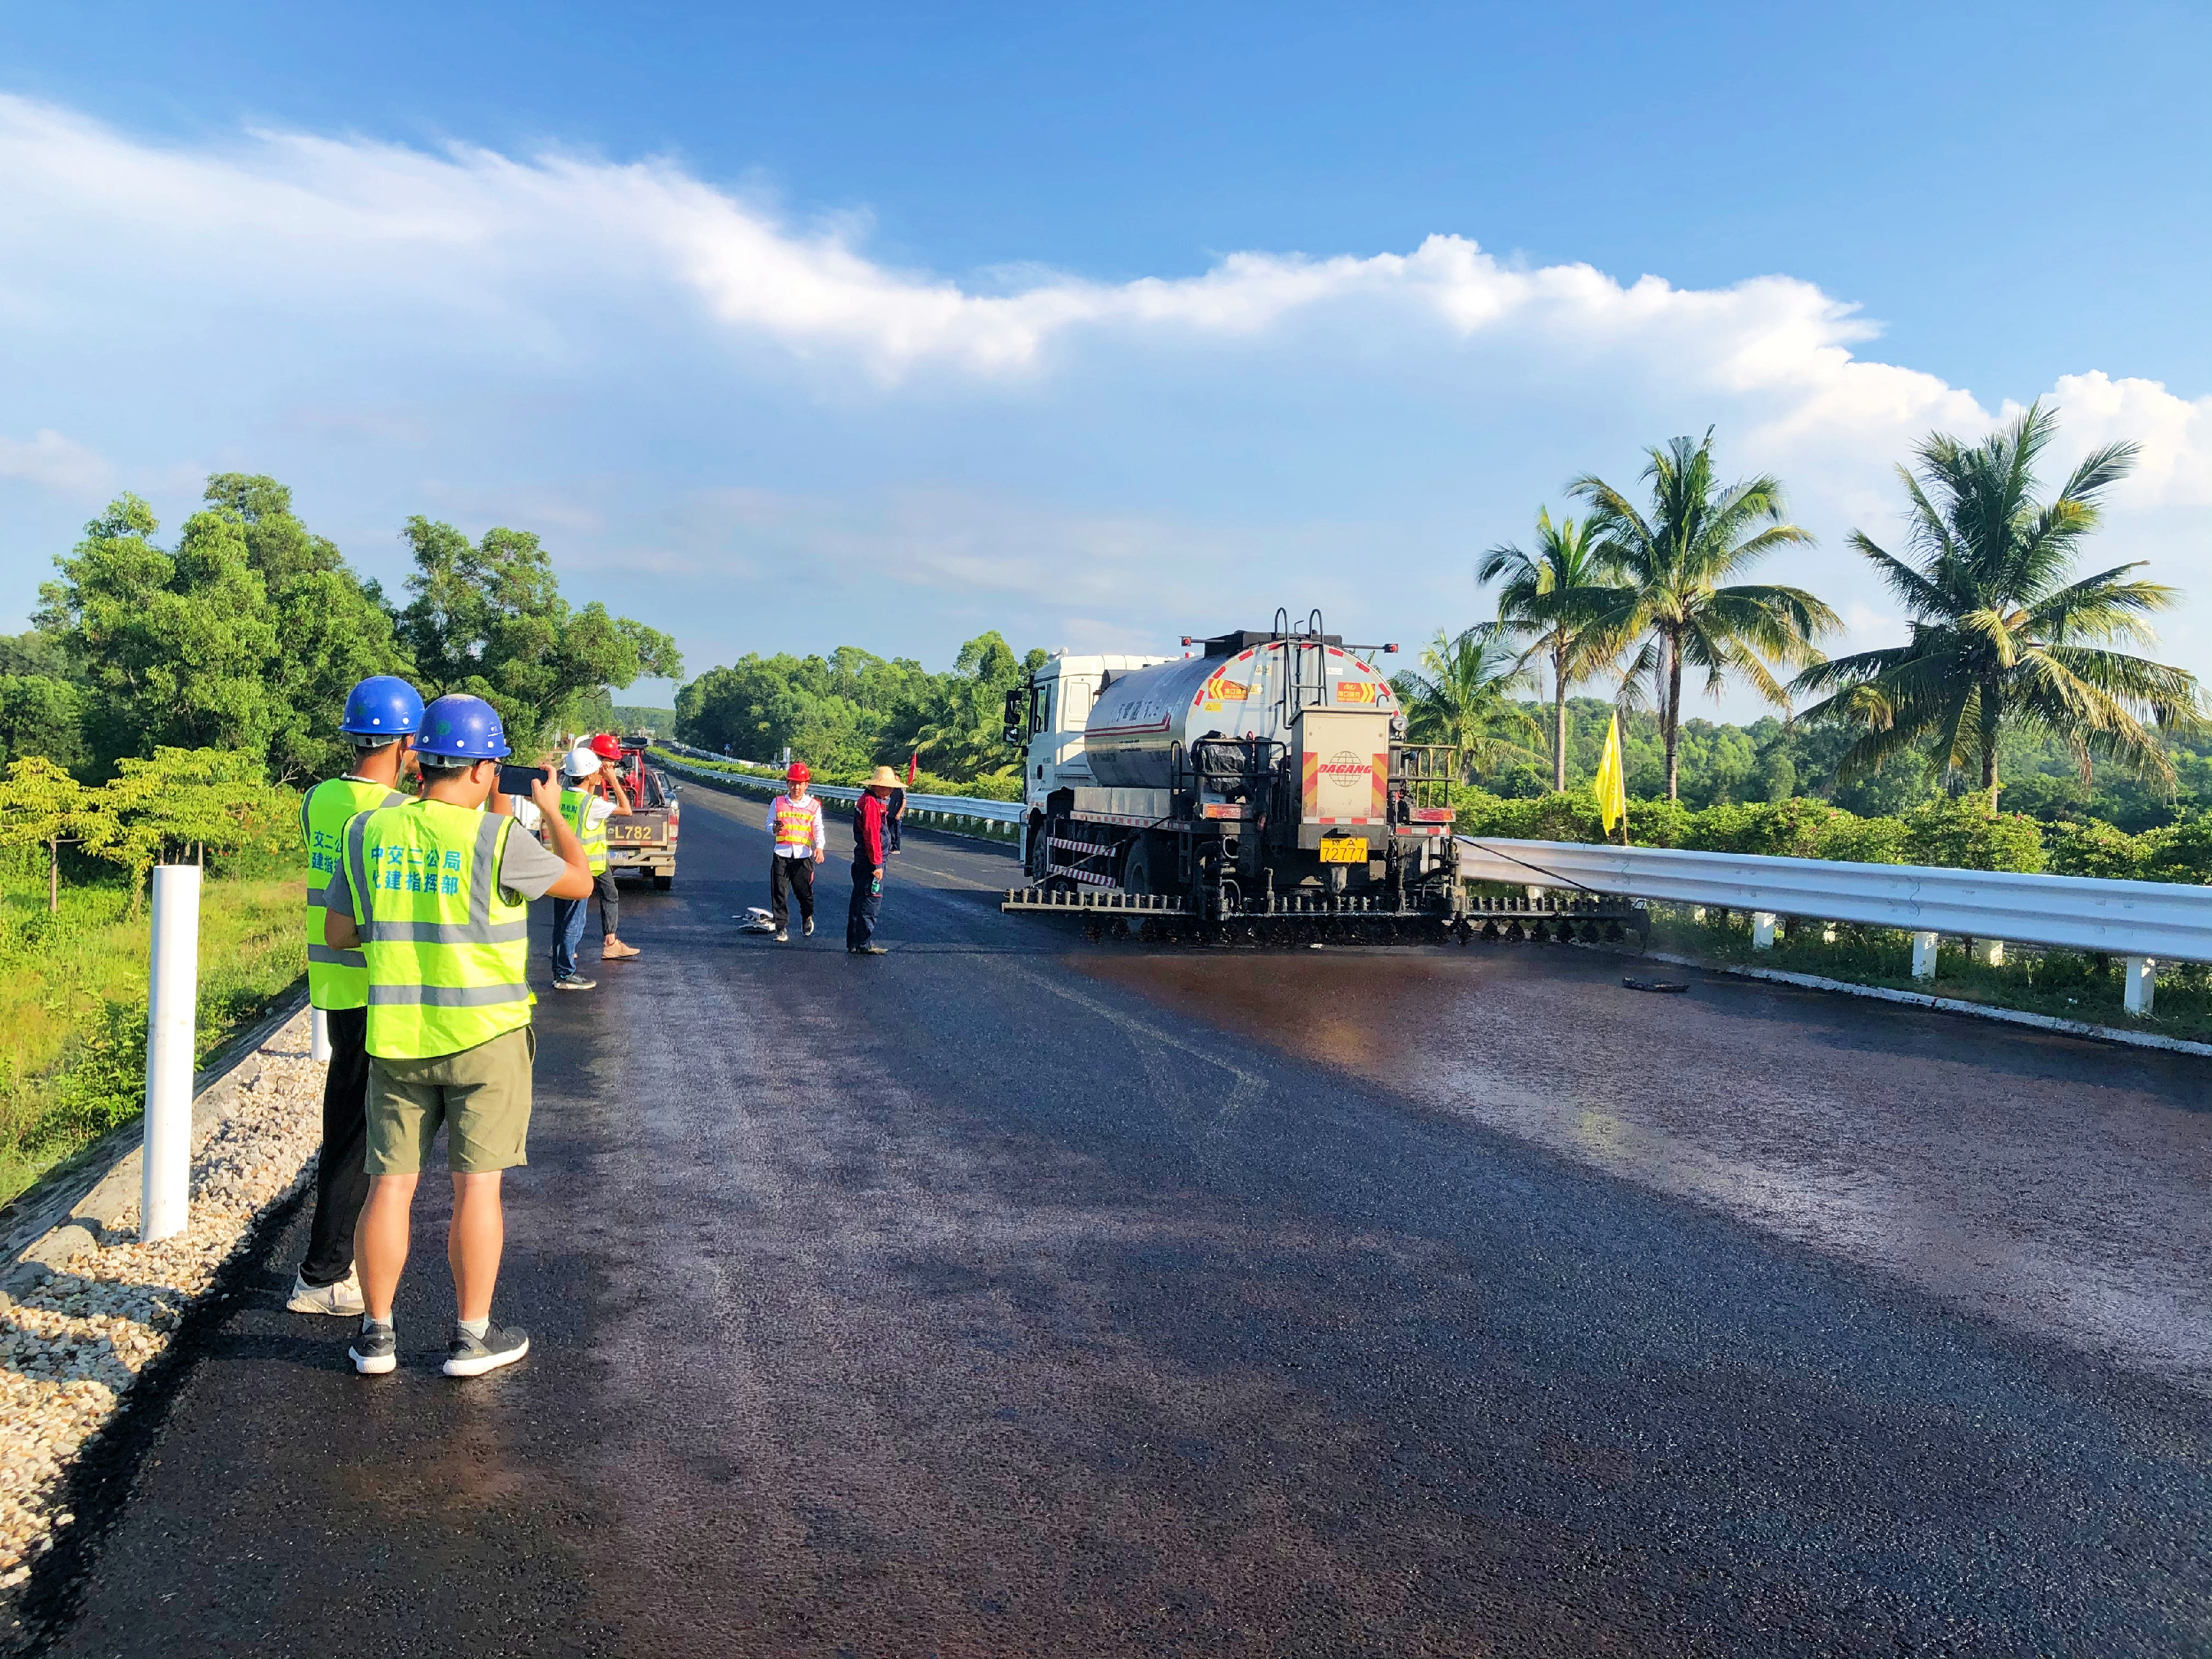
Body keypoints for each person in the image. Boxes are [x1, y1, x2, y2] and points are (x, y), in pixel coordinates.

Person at [322, 693, 594, 1378]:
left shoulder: (366, 833)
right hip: (486, 1039)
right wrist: (556, 812)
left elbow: (338, 933)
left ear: (422, 760)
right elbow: (581, 882)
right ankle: (472, 1339)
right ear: (482, 770)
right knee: (478, 1190)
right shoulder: (499, 841)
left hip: (397, 1035)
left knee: (391, 1187)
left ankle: (376, 1338)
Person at [287, 674, 422, 1317]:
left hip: (334, 984)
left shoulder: (317, 799)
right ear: (406, 744)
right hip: (378, 985)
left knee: (348, 1122)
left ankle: (328, 1264)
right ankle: (322, 1274)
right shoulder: (396, 816)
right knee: (356, 1136)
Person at [585, 734, 640, 961]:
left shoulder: (581, 782)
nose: (613, 766)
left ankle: (561, 946)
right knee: (604, 896)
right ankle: (610, 943)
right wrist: (613, 781)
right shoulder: (590, 784)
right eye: (610, 761)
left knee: (576, 899)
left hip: (577, 854)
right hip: (591, 856)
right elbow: (626, 810)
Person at [766, 762, 826, 943]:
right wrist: (773, 828)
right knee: (779, 892)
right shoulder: (778, 802)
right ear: (787, 784)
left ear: (806, 785)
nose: (796, 787)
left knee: (804, 894)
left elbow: (818, 828)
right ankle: (781, 928)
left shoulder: (813, 806)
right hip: (781, 854)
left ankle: (807, 917)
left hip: (803, 857)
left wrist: (820, 847)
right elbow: (768, 823)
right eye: (793, 783)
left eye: (800, 783)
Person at [848, 766, 898, 956]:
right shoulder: (870, 804)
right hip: (871, 862)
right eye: (888, 787)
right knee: (871, 901)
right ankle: (864, 942)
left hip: (864, 859)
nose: (891, 790)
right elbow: (872, 836)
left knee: (859, 899)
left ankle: (854, 942)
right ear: (878, 786)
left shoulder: (870, 801)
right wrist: (877, 865)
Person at [886, 777, 906, 855]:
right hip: (890, 812)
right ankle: (892, 845)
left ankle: (897, 848)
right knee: (886, 829)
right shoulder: (892, 789)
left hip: (897, 814)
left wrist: (899, 813)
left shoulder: (902, 790)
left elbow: (904, 802)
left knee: (897, 832)